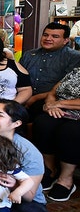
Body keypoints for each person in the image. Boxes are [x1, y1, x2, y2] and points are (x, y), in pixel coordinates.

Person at [32, 66, 80, 201]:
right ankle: (50, 170)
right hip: (60, 110)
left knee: (70, 131)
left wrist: (59, 104)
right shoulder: (76, 71)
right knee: (43, 123)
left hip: (75, 115)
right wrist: (49, 103)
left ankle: (66, 179)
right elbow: (54, 91)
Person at [20, 23, 80, 122]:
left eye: (55, 36)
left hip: (54, 100)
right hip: (24, 96)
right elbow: (19, 79)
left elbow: (66, 86)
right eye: (45, 35)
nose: (48, 39)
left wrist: (34, 98)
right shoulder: (29, 54)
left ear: (66, 40)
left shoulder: (74, 57)